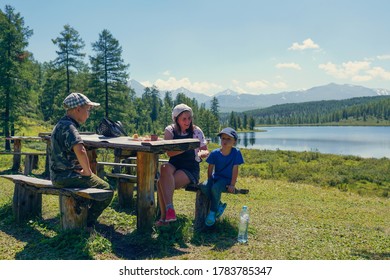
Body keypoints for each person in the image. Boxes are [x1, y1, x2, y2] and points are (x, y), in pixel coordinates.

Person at [50, 92, 113, 228]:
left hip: (57, 175)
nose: (89, 113)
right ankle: (86, 222)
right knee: (107, 190)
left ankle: (83, 216)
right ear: (78, 109)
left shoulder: (60, 125)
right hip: (68, 176)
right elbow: (80, 149)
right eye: (88, 109)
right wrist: (88, 171)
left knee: (93, 190)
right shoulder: (70, 127)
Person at [156, 103, 209, 226]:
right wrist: (186, 147)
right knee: (164, 167)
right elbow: (169, 153)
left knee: (160, 183)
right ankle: (169, 211)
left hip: (190, 168)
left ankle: (165, 217)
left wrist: (203, 153)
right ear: (176, 119)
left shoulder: (196, 131)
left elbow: (204, 149)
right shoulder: (170, 130)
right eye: (184, 119)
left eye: (189, 118)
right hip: (174, 164)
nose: (187, 121)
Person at [201, 127, 244, 226]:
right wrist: (209, 180)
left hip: (226, 180)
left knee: (216, 188)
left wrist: (232, 184)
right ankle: (219, 204)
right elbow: (210, 168)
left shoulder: (236, 153)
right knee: (203, 186)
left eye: (229, 139)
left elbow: (235, 169)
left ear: (234, 141)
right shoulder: (215, 153)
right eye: (223, 138)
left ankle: (212, 212)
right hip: (216, 178)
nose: (225, 141)